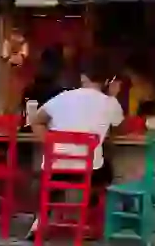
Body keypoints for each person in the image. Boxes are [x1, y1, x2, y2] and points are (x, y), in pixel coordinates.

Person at [27, 60, 125, 238]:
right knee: (106, 173)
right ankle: (88, 223)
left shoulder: (64, 97)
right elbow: (119, 125)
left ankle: (39, 223)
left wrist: (49, 141)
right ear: (107, 81)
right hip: (87, 172)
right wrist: (113, 95)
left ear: (82, 77)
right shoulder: (110, 103)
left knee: (52, 179)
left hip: (55, 168)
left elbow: (36, 120)